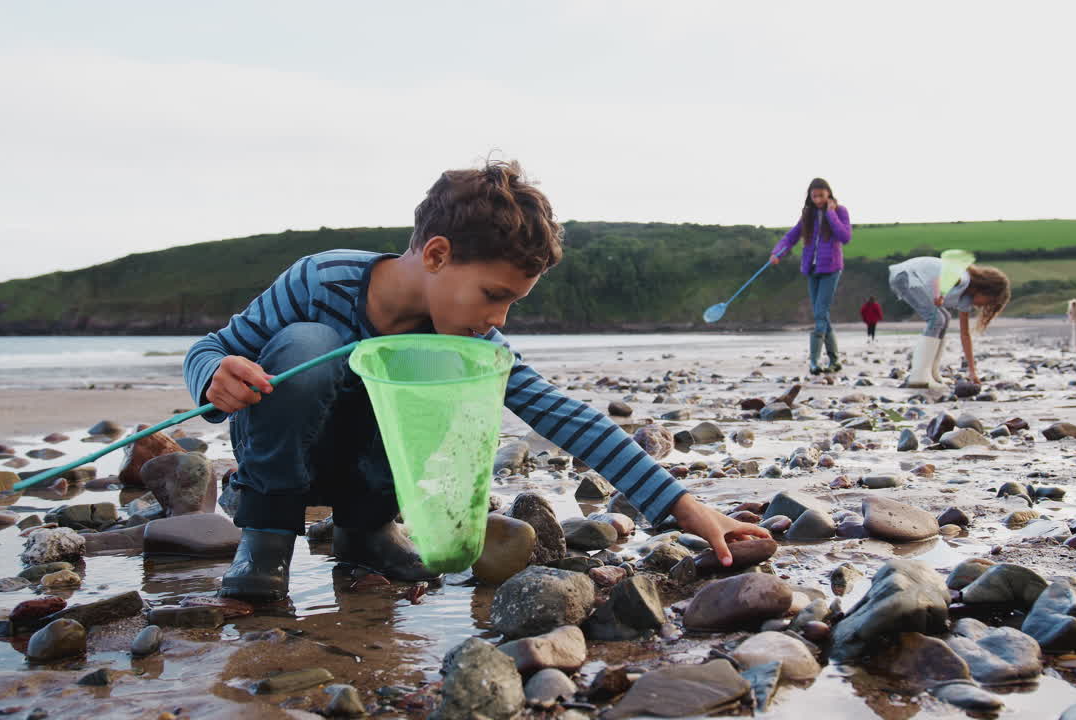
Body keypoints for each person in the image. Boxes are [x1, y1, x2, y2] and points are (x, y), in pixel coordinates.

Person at [183, 160, 770, 602]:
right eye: (494, 296)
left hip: (372, 474)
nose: (498, 320)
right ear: (436, 255)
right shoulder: (319, 280)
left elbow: (560, 414)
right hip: (291, 459)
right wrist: (215, 377)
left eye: (511, 304)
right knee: (310, 344)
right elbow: (210, 350)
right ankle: (265, 540)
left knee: (457, 380)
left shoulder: (468, 343)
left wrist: (683, 506)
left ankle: (366, 532)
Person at [769, 178, 852, 374]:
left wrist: (831, 213)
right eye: (814, 196)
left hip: (831, 269)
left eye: (821, 196)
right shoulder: (808, 214)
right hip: (812, 269)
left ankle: (814, 362)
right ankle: (835, 361)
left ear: (829, 194)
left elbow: (845, 237)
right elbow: (792, 236)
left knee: (819, 314)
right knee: (822, 315)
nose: (817, 200)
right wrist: (777, 252)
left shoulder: (840, 211)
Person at [887, 257, 1010, 389]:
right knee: (937, 319)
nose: (982, 306)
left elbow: (965, 334)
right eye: (988, 302)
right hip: (906, 276)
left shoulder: (966, 299)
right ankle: (919, 375)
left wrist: (972, 371)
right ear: (985, 289)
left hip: (912, 279)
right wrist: (940, 295)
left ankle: (932, 373)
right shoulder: (963, 278)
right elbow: (938, 280)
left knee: (945, 317)